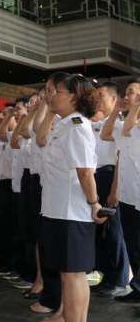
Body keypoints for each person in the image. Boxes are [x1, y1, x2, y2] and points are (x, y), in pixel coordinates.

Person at [38, 73, 105, 322]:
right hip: (57, 208)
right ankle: (65, 315)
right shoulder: (64, 124)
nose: (50, 95)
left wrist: (94, 203)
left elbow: (85, 171)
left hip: (72, 211)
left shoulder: (77, 126)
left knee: (74, 273)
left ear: (74, 96)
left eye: (56, 91)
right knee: (66, 271)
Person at [101, 77, 140, 303]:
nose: (128, 96)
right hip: (127, 193)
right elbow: (106, 134)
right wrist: (117, 109)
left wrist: (134, 108)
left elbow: (126, 129)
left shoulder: (132, 126)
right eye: (126, 92)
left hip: (138, 195)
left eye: (133, 92)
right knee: (132, 243)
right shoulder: (125, 123)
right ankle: (136, 288)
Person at [91, 82, 129, 297]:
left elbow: (120, 158)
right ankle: (107, 274)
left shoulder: (118, 125)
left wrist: (115, 189)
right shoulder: (98, 124)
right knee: (102, 230)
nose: (98, 99)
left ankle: (119, 279)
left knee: (114, 230)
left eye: (102, 95)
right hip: (98, 177)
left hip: (110, 176)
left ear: (115, 100)